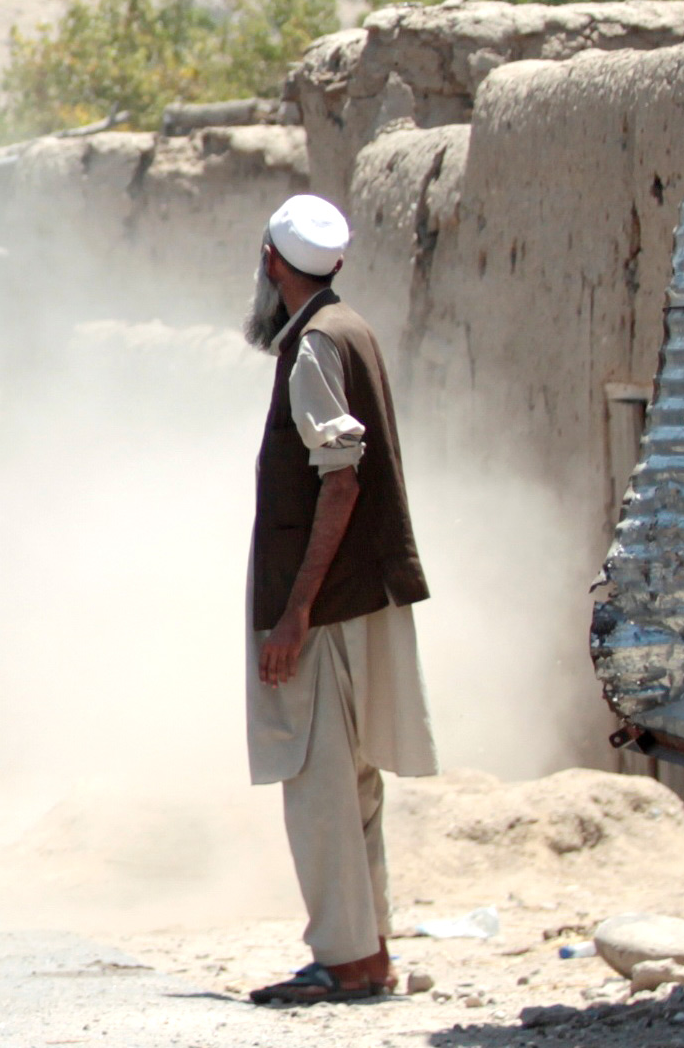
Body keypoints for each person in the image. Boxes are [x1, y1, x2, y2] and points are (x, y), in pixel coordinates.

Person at [239, 194, 438, 1008]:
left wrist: (293, 613)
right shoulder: (348, 326)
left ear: (271, 263)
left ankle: (345, 961)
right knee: (351, 782)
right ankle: (369, 951)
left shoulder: (315, 345)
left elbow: (341, 477)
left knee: (316, 780)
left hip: (322, 609)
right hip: (363, 595)